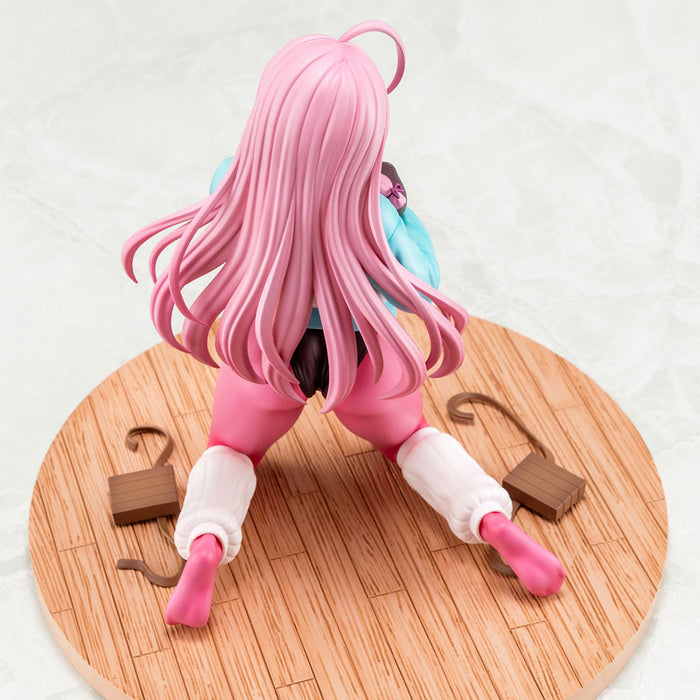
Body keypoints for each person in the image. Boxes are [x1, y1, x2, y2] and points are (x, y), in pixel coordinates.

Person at [122, 21, 565, 628]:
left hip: (268, 350)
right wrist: (403, 211)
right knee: (412, 440)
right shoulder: (376, 212)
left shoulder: (234, 182)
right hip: (361, 354)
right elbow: (422, 281)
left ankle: (205, 544)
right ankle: (490, 520)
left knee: (230, 447)